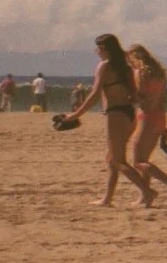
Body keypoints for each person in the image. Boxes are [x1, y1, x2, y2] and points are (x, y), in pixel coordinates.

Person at [66, 34, 154, 207]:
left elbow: (95, 94)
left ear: (104, 49)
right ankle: (107, 199)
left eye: (98, 48)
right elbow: (135, 95)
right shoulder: (125, 67)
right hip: (129, 115)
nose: (96, 51)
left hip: (115, 115)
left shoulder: (104, 67)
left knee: (116, 160)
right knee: (112, 158)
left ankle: (147, 191)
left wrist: (75, 115)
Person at [128, 44, 167, 204]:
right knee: (145, 159)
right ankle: (145, 197)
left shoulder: (140, 73)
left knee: (137, 162)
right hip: (159, 116)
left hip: (146, 117)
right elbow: (162, 100)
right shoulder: (159, 74)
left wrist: (128, 95)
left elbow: (141, 98)